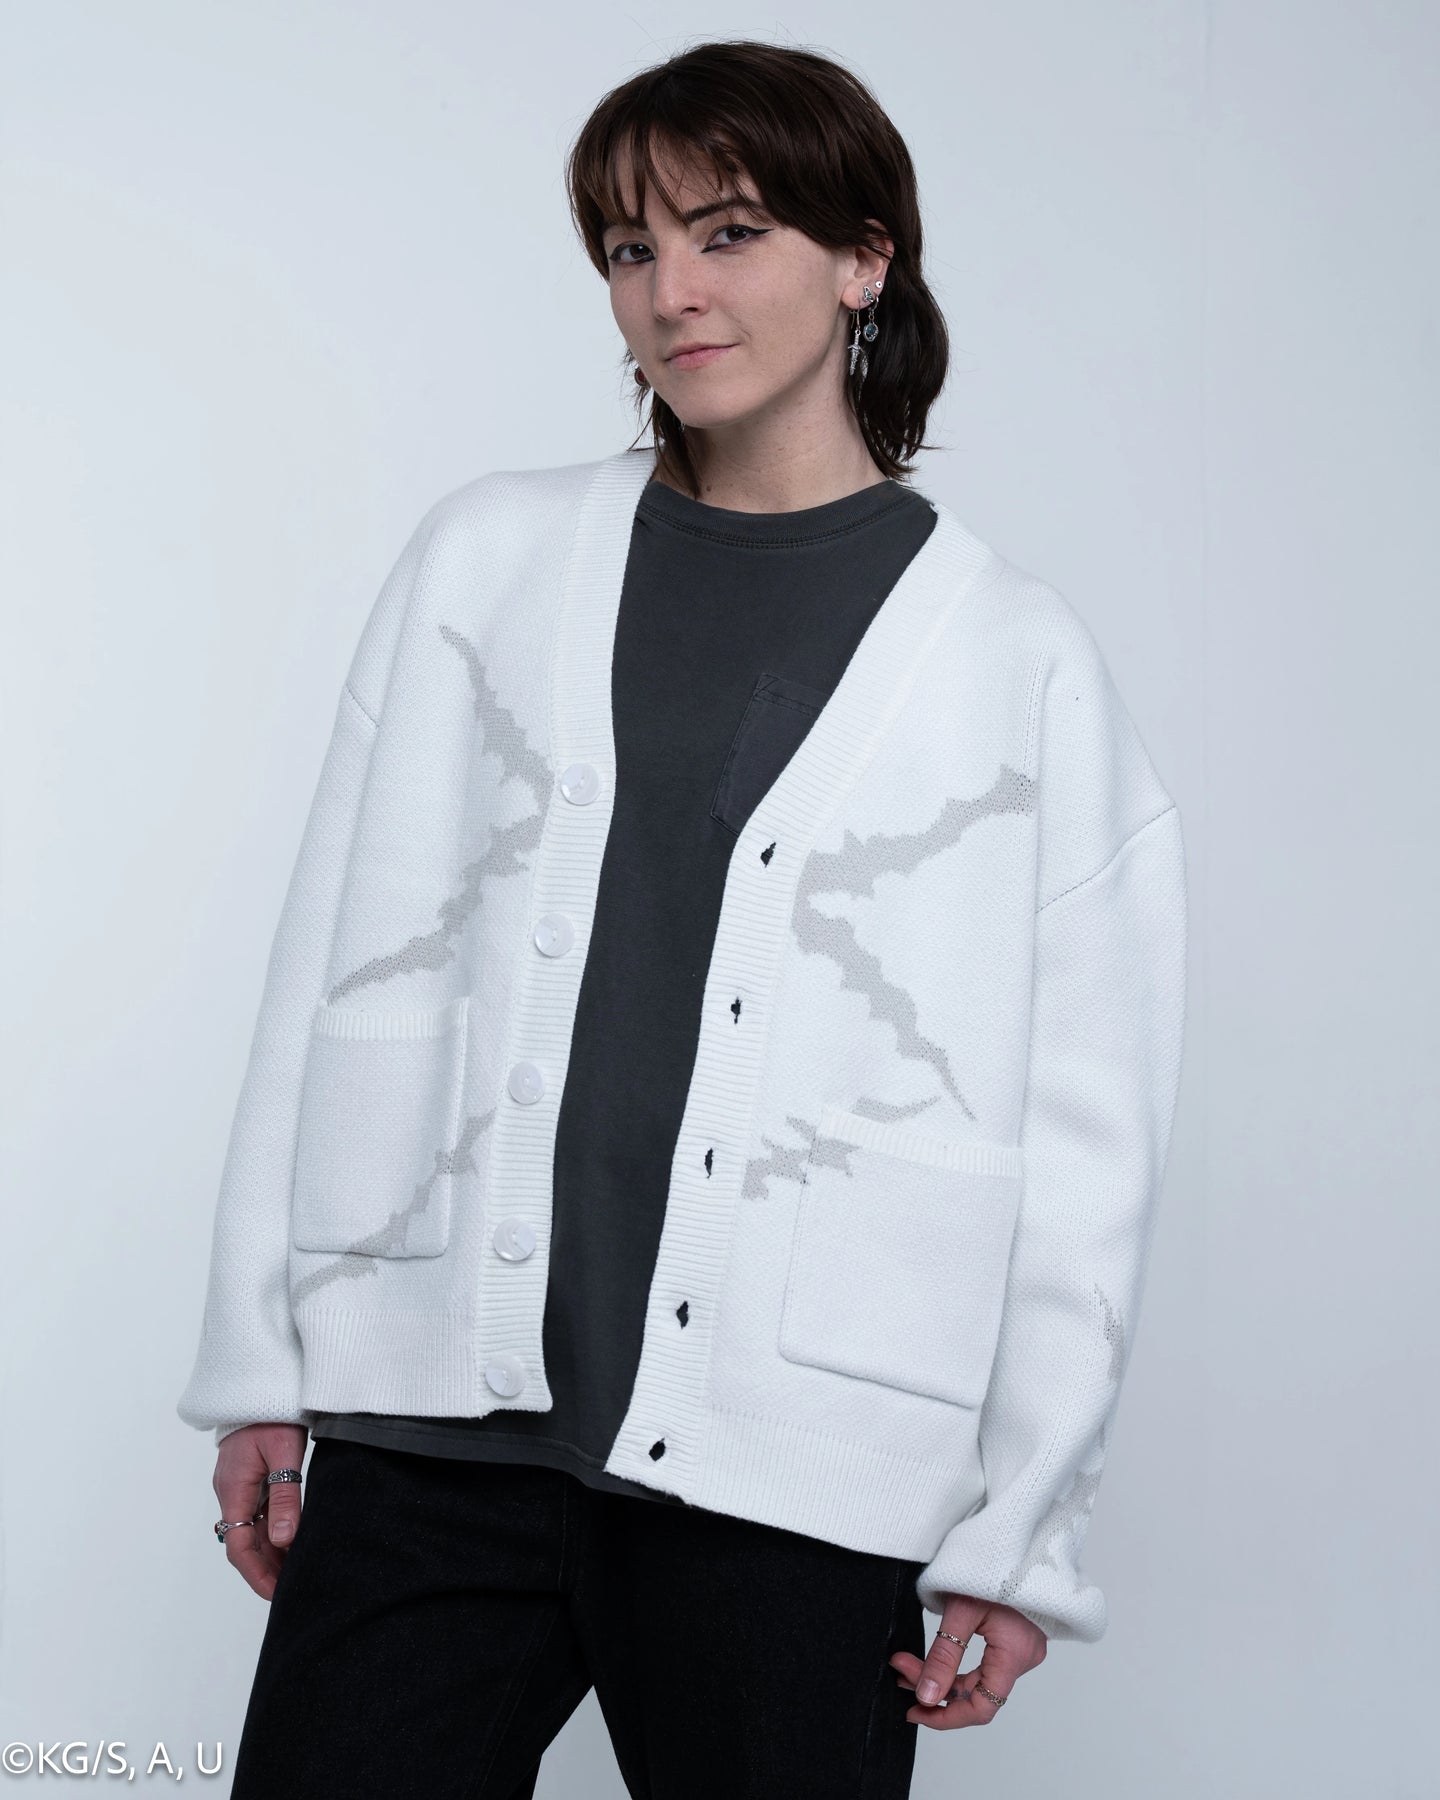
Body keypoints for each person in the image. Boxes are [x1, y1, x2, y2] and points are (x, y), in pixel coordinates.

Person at [178, 38, 1187, 1800]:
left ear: (864, 257)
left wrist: (1023, 1532)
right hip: (436, 1441)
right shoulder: (484, 563)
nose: (672, 292)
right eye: (632, 251)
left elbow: (1089, 1136)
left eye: (728, 234)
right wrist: (260, 1360)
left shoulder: (1016, 664)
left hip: (794, 1477)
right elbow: (328, 977)